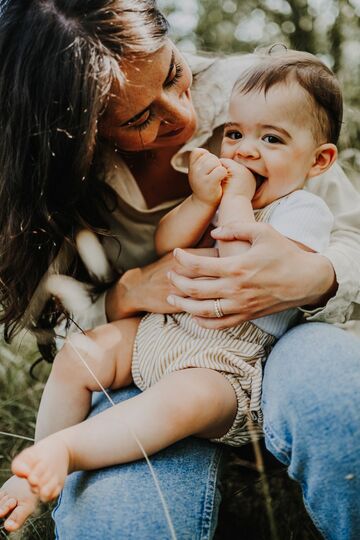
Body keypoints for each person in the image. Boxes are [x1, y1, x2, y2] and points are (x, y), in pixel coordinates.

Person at [0, 2, 359, 539]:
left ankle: (69, 449)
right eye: (140, 118)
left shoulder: (270, 102)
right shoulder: (49, 174)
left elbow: (248, 267)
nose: (186, 119)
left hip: (229, 363)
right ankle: (44, 462)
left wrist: (318, 274)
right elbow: (169, 243)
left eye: (173, 73)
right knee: (82, 364)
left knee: (188, 402)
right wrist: (138, 281)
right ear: (78, 133)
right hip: (159, 333)